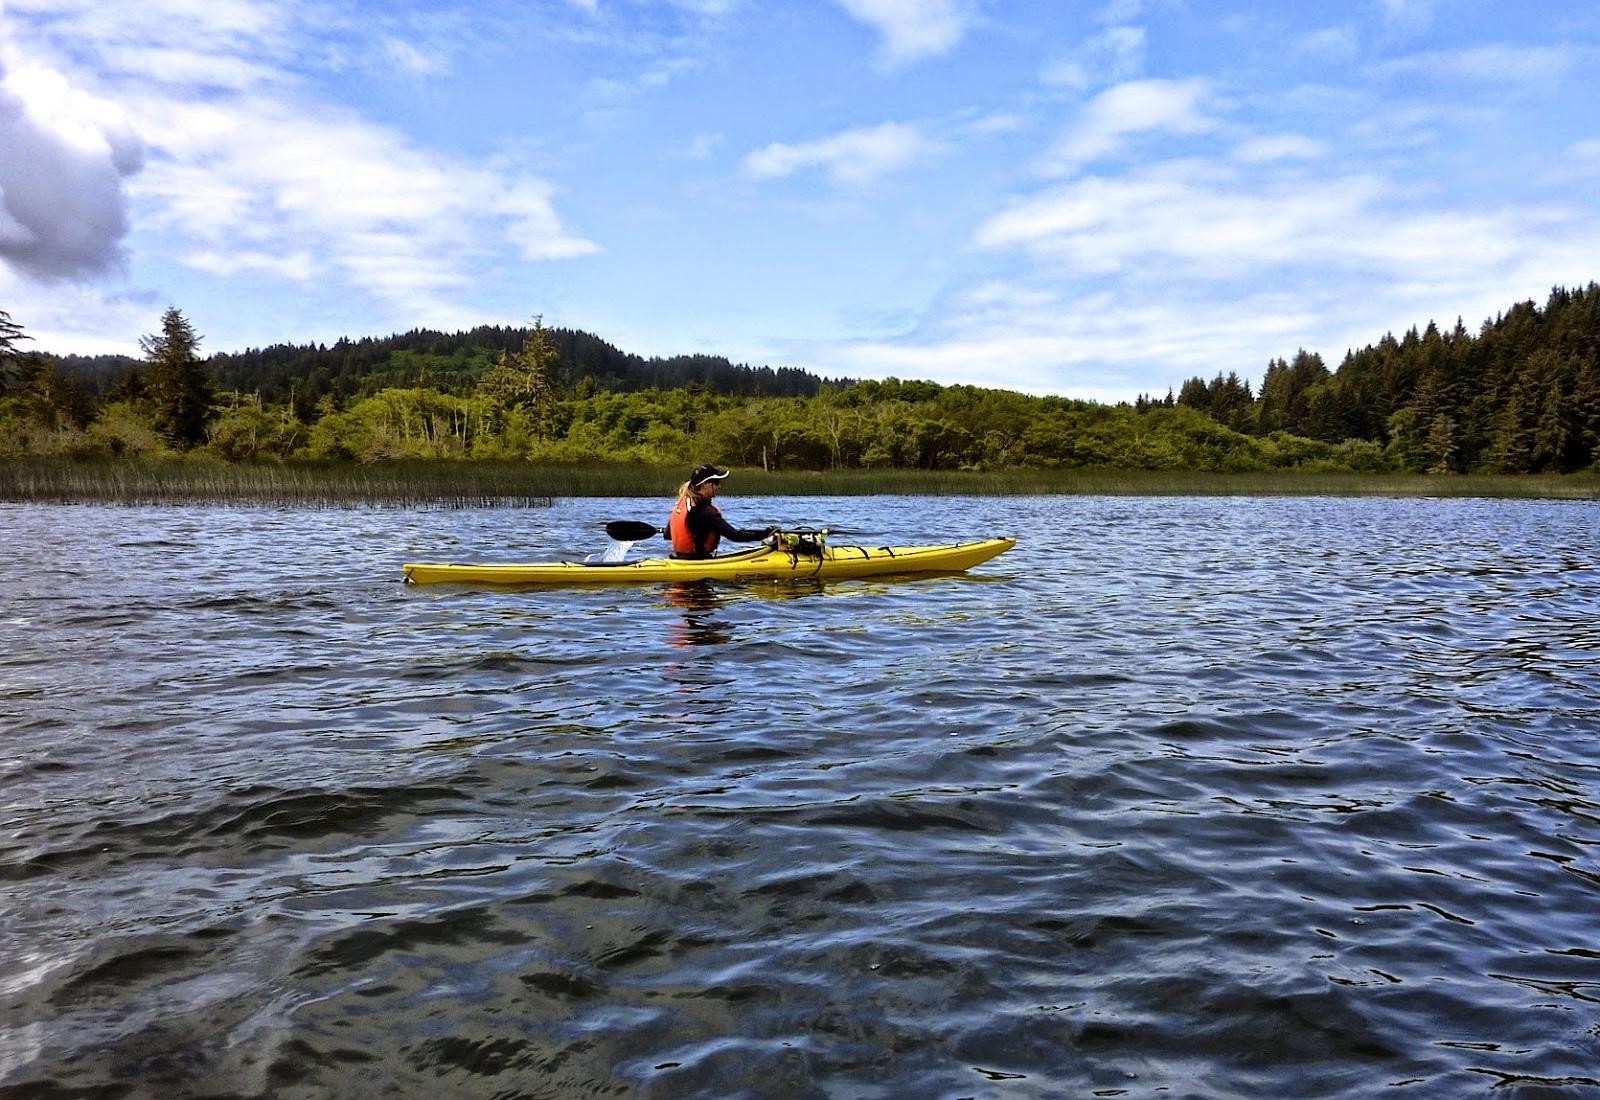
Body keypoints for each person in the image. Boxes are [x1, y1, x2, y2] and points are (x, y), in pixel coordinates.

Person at [667, 464, 774, 559]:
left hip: (681, 560)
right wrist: (767, 533)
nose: (719, 486)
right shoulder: (705, 512)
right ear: (706, 485)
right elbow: (735, 536)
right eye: (717, 483)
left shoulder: (682, 504)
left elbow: (668, 534)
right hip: (699, 563)